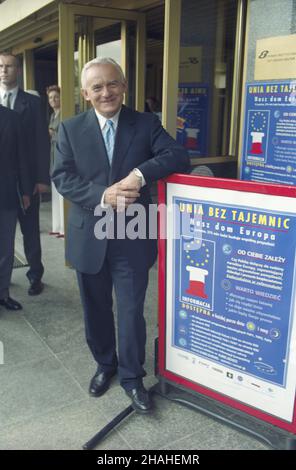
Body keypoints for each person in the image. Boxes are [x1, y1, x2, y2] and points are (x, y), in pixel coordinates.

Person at [52, 57, 190, 414]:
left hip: (133, 234)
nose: (106, 92)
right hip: (89, 236)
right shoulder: (70, 129)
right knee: (95, 309)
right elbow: (62, 177)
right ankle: (105, 365)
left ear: (124, 86)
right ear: (86, 94)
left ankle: (132, 378)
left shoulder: (145, 124)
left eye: (112, 83)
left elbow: (178, 155)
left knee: (130, 312)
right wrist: (104, 194)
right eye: (97, 87)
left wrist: (139, 176)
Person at [0, 52, 50, 296]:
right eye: (0, 66)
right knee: (3, 237)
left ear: (18, 70)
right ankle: (3, 280)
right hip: (3, 184)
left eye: (9, 66)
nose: (4, 70)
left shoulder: (31, 103)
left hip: (28, 181)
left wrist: (41, 179)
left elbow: (42, 142)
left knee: (30, 232)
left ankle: (35, 276)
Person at [0, 105, 31, 311]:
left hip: (6, 193)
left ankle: (2, 294)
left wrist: (26, 191)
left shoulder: (11, 117)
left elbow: (22, 156)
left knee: (5, 248)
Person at [46, 85, 64, 237]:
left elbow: (65, 137)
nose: (53, 100)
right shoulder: (53, 115)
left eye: (56, 97)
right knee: (55, 191)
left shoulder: (64, 114)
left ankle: (63, 227)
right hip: (53, 155)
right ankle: (57, 225)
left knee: (62, 191)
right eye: (51, 97)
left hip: (60, 154)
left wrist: (53, 133)